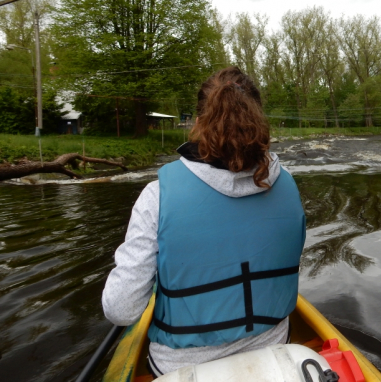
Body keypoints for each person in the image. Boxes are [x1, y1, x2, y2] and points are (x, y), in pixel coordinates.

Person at [102, 67, 306, 377]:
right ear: (257, 121)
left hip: (181, 368)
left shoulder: (157, 196)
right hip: (275, 348)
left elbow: (121, 310)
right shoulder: (288, 185)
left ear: (197, 124)